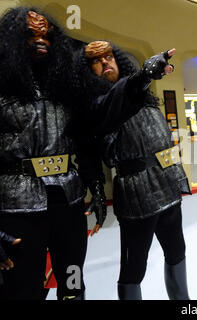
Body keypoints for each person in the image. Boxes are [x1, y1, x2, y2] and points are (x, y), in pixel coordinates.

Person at [0, 7, 107, 300]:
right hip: (17, 208)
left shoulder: (67, 86)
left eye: (46, 35)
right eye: (30, 34)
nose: (40, 40)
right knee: (24, 290)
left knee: (72, 284)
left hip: (67, 204)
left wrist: (96, 186)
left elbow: (85, 140)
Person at [79, 40, 191, 300]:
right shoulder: (99, 106)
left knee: (177, 252)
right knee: (133, 269)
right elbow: (122, 96)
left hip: (168, 185)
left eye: (108, 56)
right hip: (136, 195)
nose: (105, 62)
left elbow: (133, 92)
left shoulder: (143, 98)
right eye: (96, 60)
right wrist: (143, 75)